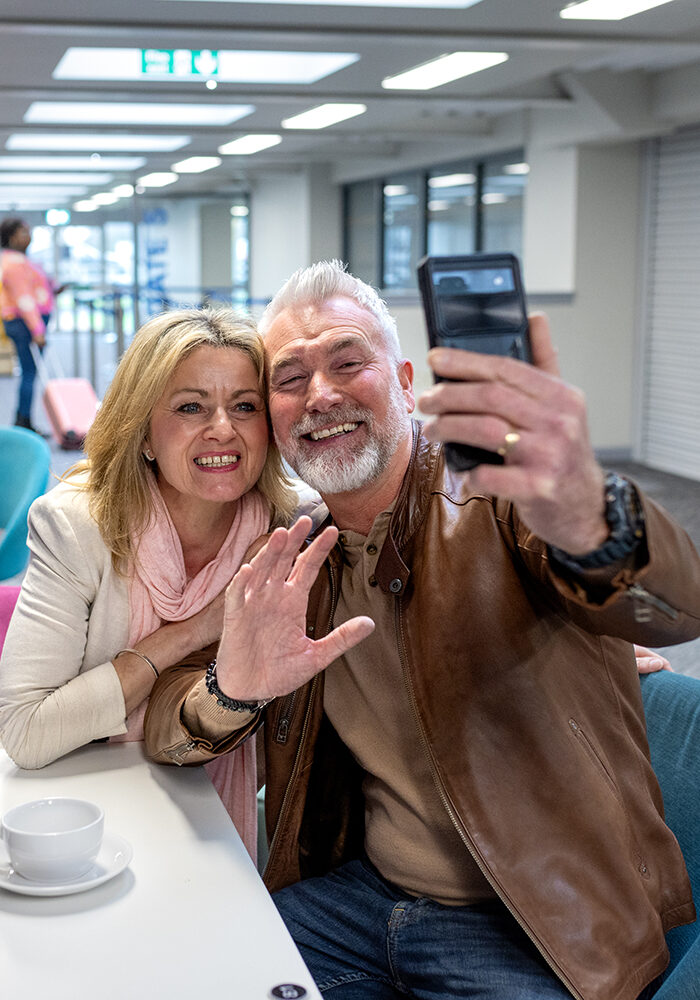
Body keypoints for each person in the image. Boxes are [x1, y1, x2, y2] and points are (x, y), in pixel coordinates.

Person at [144, 261, 700, 1000]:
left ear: (406, 382)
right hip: (359, 901)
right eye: (290, 379)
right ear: (274, 421)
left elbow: (673, 607)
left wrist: (589, 514)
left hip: (533, 927)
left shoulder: (500, 506)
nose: (322, 394)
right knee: (183, 974)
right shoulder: (293, 556)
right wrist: (234, 689)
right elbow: (167, 726)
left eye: (349, 362)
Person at [0, 306, 300, 859]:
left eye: (244, 406)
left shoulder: (288, 529)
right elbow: (25, 732)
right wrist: (193, 631)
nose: (222, 430)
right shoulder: (79, 526)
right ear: (144, 434)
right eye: (191, 407)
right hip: (87, 805)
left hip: (211, 805)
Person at [0, 217, 65, 434]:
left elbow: (36, 287)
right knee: (29, 373)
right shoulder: (15, 263)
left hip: (25, 323)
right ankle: (23, 420)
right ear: (11, 237)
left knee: (30, 372)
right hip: (26, 324)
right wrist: (37, 330)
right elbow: (24, 299)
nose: (29, 236)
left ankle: (23, 418)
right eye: (23, 232)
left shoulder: (19, 260)